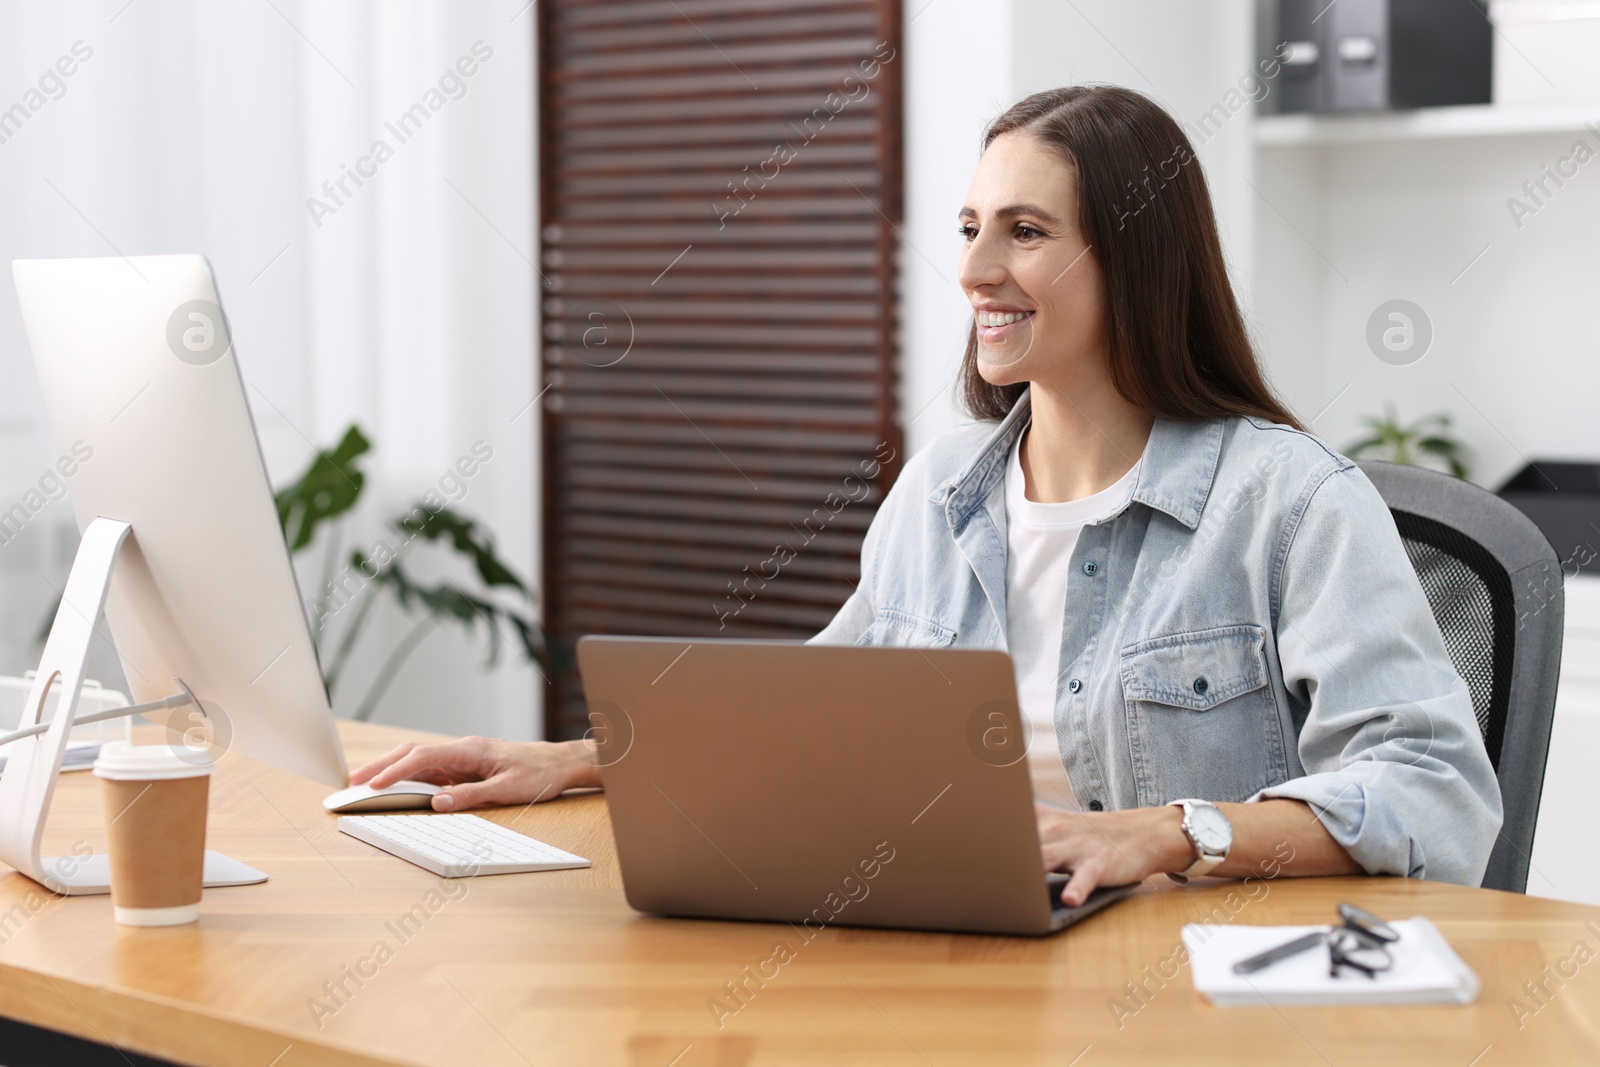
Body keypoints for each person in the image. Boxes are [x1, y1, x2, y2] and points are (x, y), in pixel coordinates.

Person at [351, 85, 1502, 908]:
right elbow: (811, 716)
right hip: (962, 951)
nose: (971, 270)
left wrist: (1169, 832)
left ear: (1134, 258)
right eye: (968, 230)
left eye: (1025, 231)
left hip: (1181, 993)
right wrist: (575, 756)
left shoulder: (1290, 504)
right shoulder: (942, 489)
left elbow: (1434, 794)